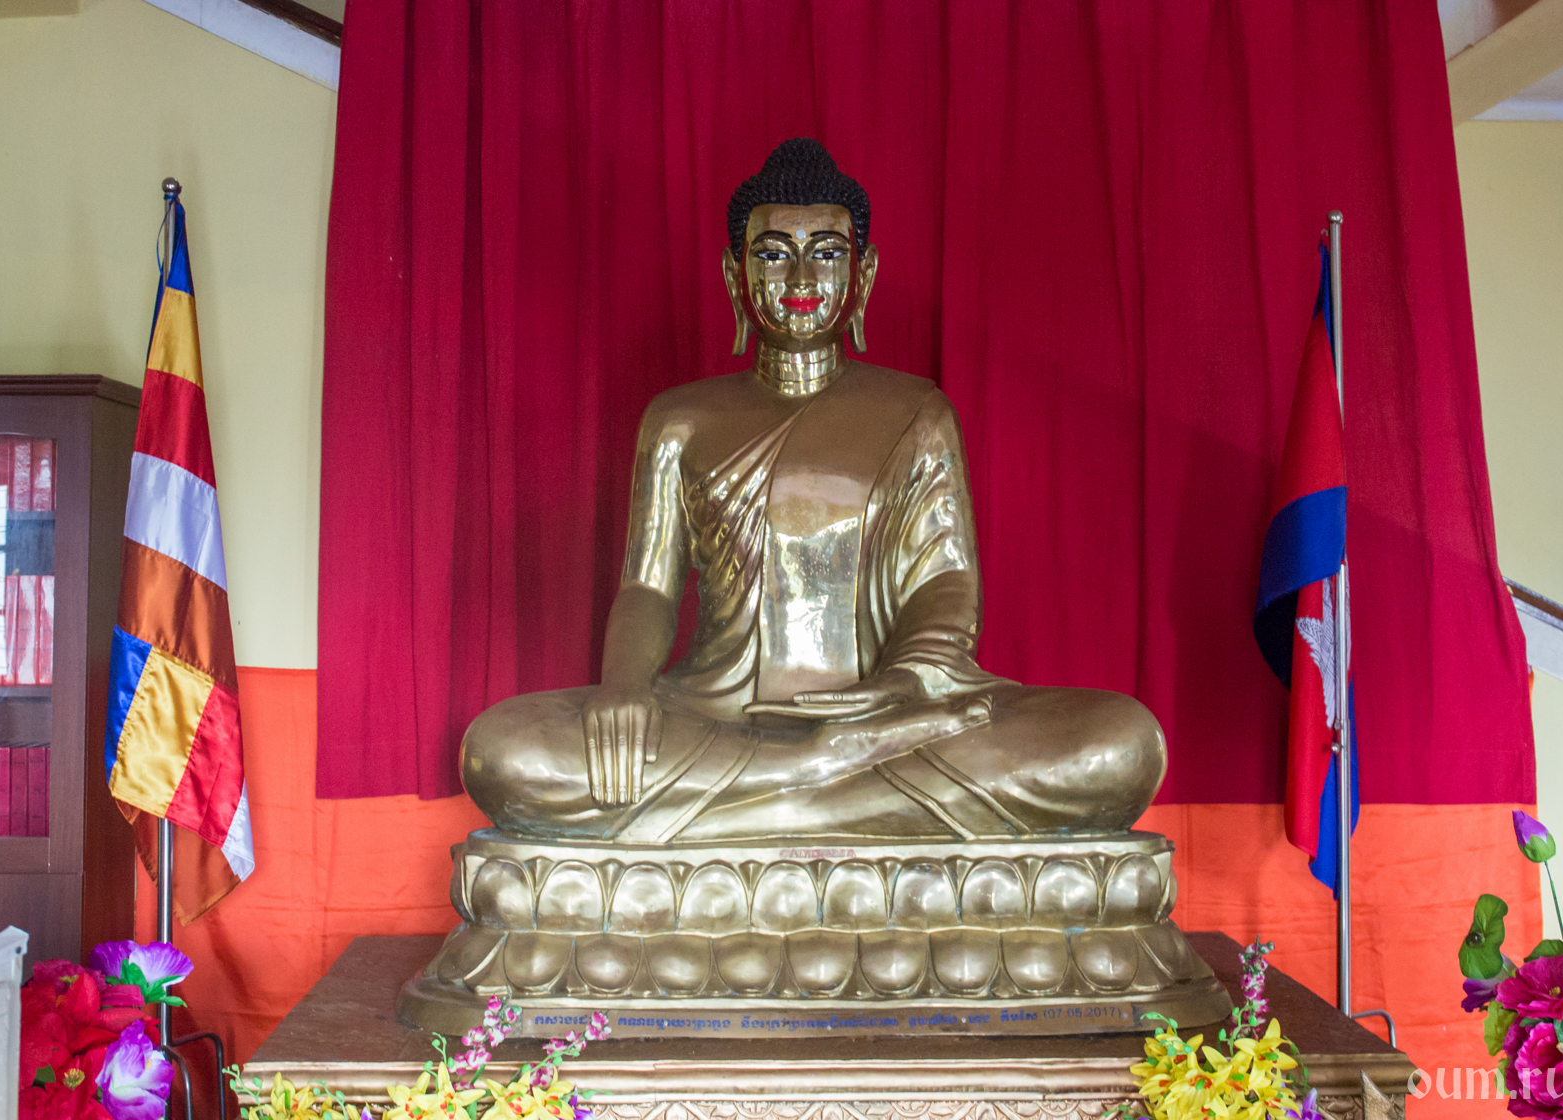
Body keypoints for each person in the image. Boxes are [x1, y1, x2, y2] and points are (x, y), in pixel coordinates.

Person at [461, 138, 1165, 845]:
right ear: (735, 275)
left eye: (827, 252)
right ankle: (821, 776)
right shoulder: (679, 420)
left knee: (1121, 742)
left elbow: (946, 582)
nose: (800, 275)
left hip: (889, 719)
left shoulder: (918, 414)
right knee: (502, 750)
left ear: (864, 273)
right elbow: (648, 589)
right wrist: (623, 691)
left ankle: (771, 798)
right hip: (717, 716)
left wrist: (905, 683)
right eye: (772, 254)